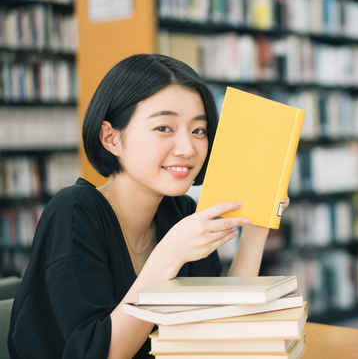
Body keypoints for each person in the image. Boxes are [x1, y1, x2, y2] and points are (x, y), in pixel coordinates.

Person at [8, 54, 283, 358]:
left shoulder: (179, 213)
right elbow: (99, 353)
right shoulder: (73, 212)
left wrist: (257, 227)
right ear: (111, 138)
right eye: (164, 128)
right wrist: (170, 254)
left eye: (198, 130)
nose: (187, 148)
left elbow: (220, 324)